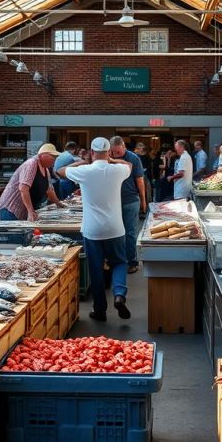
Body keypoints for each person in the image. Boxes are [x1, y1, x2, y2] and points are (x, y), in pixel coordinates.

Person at [58, 137, 133, 321]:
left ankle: (100, 310)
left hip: (92, 230)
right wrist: (111, 160)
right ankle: (119, 294)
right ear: (109, 152)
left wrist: (84, 161)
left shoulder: (84, 171)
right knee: (119, 262)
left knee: (96, 269)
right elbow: (128, 164)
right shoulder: (117, 170)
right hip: (115, 228)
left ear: (92, 152)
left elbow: (59, 171)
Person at [109, 136, 147, 274]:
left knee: (130, 233)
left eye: (118, 152)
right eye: (113, 152)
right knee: (115, 233)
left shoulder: (133, 158)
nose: (115, 154)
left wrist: (143, 200)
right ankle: (118, 261)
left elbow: (140, 180)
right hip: (112, 201)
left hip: (130, 200)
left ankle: (132, 262)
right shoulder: (107, 158)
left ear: (124, 147)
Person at [0, 144, 63, 221]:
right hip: (11, 209)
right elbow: (23, 189)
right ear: (43, 155)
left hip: (23, 211)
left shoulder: (46, 169)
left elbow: (49, 190)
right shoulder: (31, 163)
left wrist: (58, 204)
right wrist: (31, 211)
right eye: (53, 157)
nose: (54, 160)